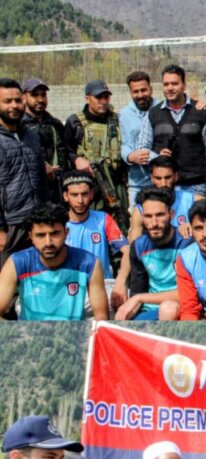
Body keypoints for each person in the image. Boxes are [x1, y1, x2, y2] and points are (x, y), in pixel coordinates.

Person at [0, 201, 107, 320]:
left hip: (75, 336)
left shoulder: (89, 263)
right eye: (41, 235)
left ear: (66, 233)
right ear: (31, 237)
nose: (48, 242)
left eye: (55, 233)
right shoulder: (17, 262)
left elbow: (101, 317)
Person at [136, 65, 206, 200]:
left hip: (196, 185)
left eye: (174, 83)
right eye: (166, 84)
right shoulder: (153, 114)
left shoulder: (201, 112)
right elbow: (142, 147)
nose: (170, 88)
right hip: (164, 187)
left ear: (183, 85)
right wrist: (156, 156)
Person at [113, 187, 188, 320]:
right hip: (149, 309)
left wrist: (138, 298)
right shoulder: (138, 246)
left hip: (181, 307)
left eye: (159, 215)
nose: (154, 223)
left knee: (168, 308)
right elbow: (138, 291)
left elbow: (192, 293)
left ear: (171, 214)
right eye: (148, 216)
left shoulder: (187, 243)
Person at [0, 77, 48, 262]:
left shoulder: (31, 135)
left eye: (18, 100)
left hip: (37, 223)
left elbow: (41, 177)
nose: (14, 105)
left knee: (37, 281)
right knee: (7, 286)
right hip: (10, 226)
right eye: (7, 101)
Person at [65, 79, 127, 220]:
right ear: (87, 98)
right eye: (98, 97)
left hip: (116, 183)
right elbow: (65, 150)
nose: (103, 101)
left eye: (106, 97)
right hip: (91, 186)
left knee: (121, 222)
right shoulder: (75, 122)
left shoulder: (117, 119)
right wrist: (76, 159)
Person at [61, 171, 126, 284]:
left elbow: (128, 250)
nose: (80, 200)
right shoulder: (59, 224)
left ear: (91, 194)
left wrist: (120, 282)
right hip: (70, 289)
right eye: (74, 195)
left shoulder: (103, 219)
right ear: (66, 196)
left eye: (84, 194)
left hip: (103, 285)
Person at [20, 78, 70, 202]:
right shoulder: (19, 126)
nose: (40, 99)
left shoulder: (55, 124)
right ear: (24, 98)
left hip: (59, 189)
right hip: (33, 190)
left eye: (43, 95)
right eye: (35, 95)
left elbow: (67, 152)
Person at [126, 155, 195, 242]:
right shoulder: (140, 209)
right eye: (158, 178)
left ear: (176, 176)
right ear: (152, 178)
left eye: (168, 177)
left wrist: (194, 226)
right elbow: (134, 246)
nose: (163, 183)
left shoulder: (192, 200)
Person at [120, 71, 158, 209]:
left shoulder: (162, 109)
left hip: (160, 182)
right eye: (136, 91)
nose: (140, 95)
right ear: (130, 93)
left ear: (151, 89)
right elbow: (123, 143)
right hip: (137, 183)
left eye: (144, 90)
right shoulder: (124, 115)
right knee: (136, 223)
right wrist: (130, 156)